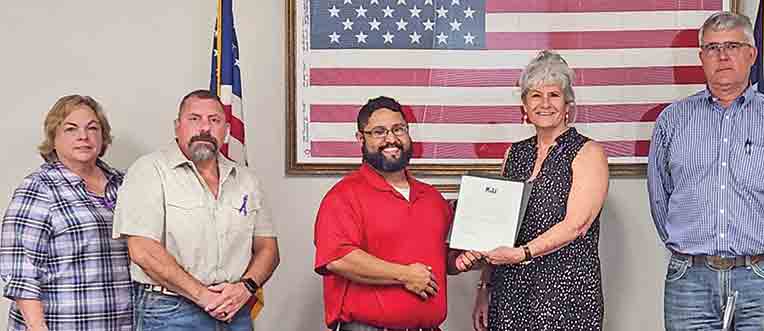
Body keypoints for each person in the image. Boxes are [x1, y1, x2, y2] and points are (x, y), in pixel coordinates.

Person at [646, 11, 764, 330]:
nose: (722, 56)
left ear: (751, 54)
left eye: (732, 46)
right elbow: (661, 201)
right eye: (712, 48)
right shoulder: (673, 122)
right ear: (701, 57)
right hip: (690, 283)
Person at [459, 50, 609, 331]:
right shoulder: (514, 154)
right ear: (524, 107)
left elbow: (577, 224)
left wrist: (522, 254)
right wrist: (484, 287)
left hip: (567, 291)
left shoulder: (588, 152)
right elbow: (498, 227)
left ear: (568, 104)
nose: (545, 104)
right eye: (535, 96)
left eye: (553, 95)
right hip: (510, 290)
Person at [112, 90, 280, 330]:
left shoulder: (247, 180)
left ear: (227, 130)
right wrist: (203, 296)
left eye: (214, 120)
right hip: (170, 311)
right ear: (177, 126)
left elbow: (268, 248)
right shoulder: (149, 171)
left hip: (235, 309)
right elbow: (143, 251)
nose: (205, 128)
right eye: (194, 119)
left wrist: (246, 288)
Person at [313, 96, 477, 331]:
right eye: (379, 132)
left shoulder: (432, 198)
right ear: (361, 138)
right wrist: (404, 275)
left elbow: (438, 258)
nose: (391, 139)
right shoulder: (343, 196)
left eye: (398, 129)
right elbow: (338, 259)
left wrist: (459, 262)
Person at [0, 95, 132, 331]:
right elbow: (20, 270)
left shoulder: (125, 184)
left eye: (93, 128)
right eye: (71, 129)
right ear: (53, 138)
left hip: (122, 323)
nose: (84, 136)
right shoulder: (39, 188)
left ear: (103, 138)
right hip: (62, 324)